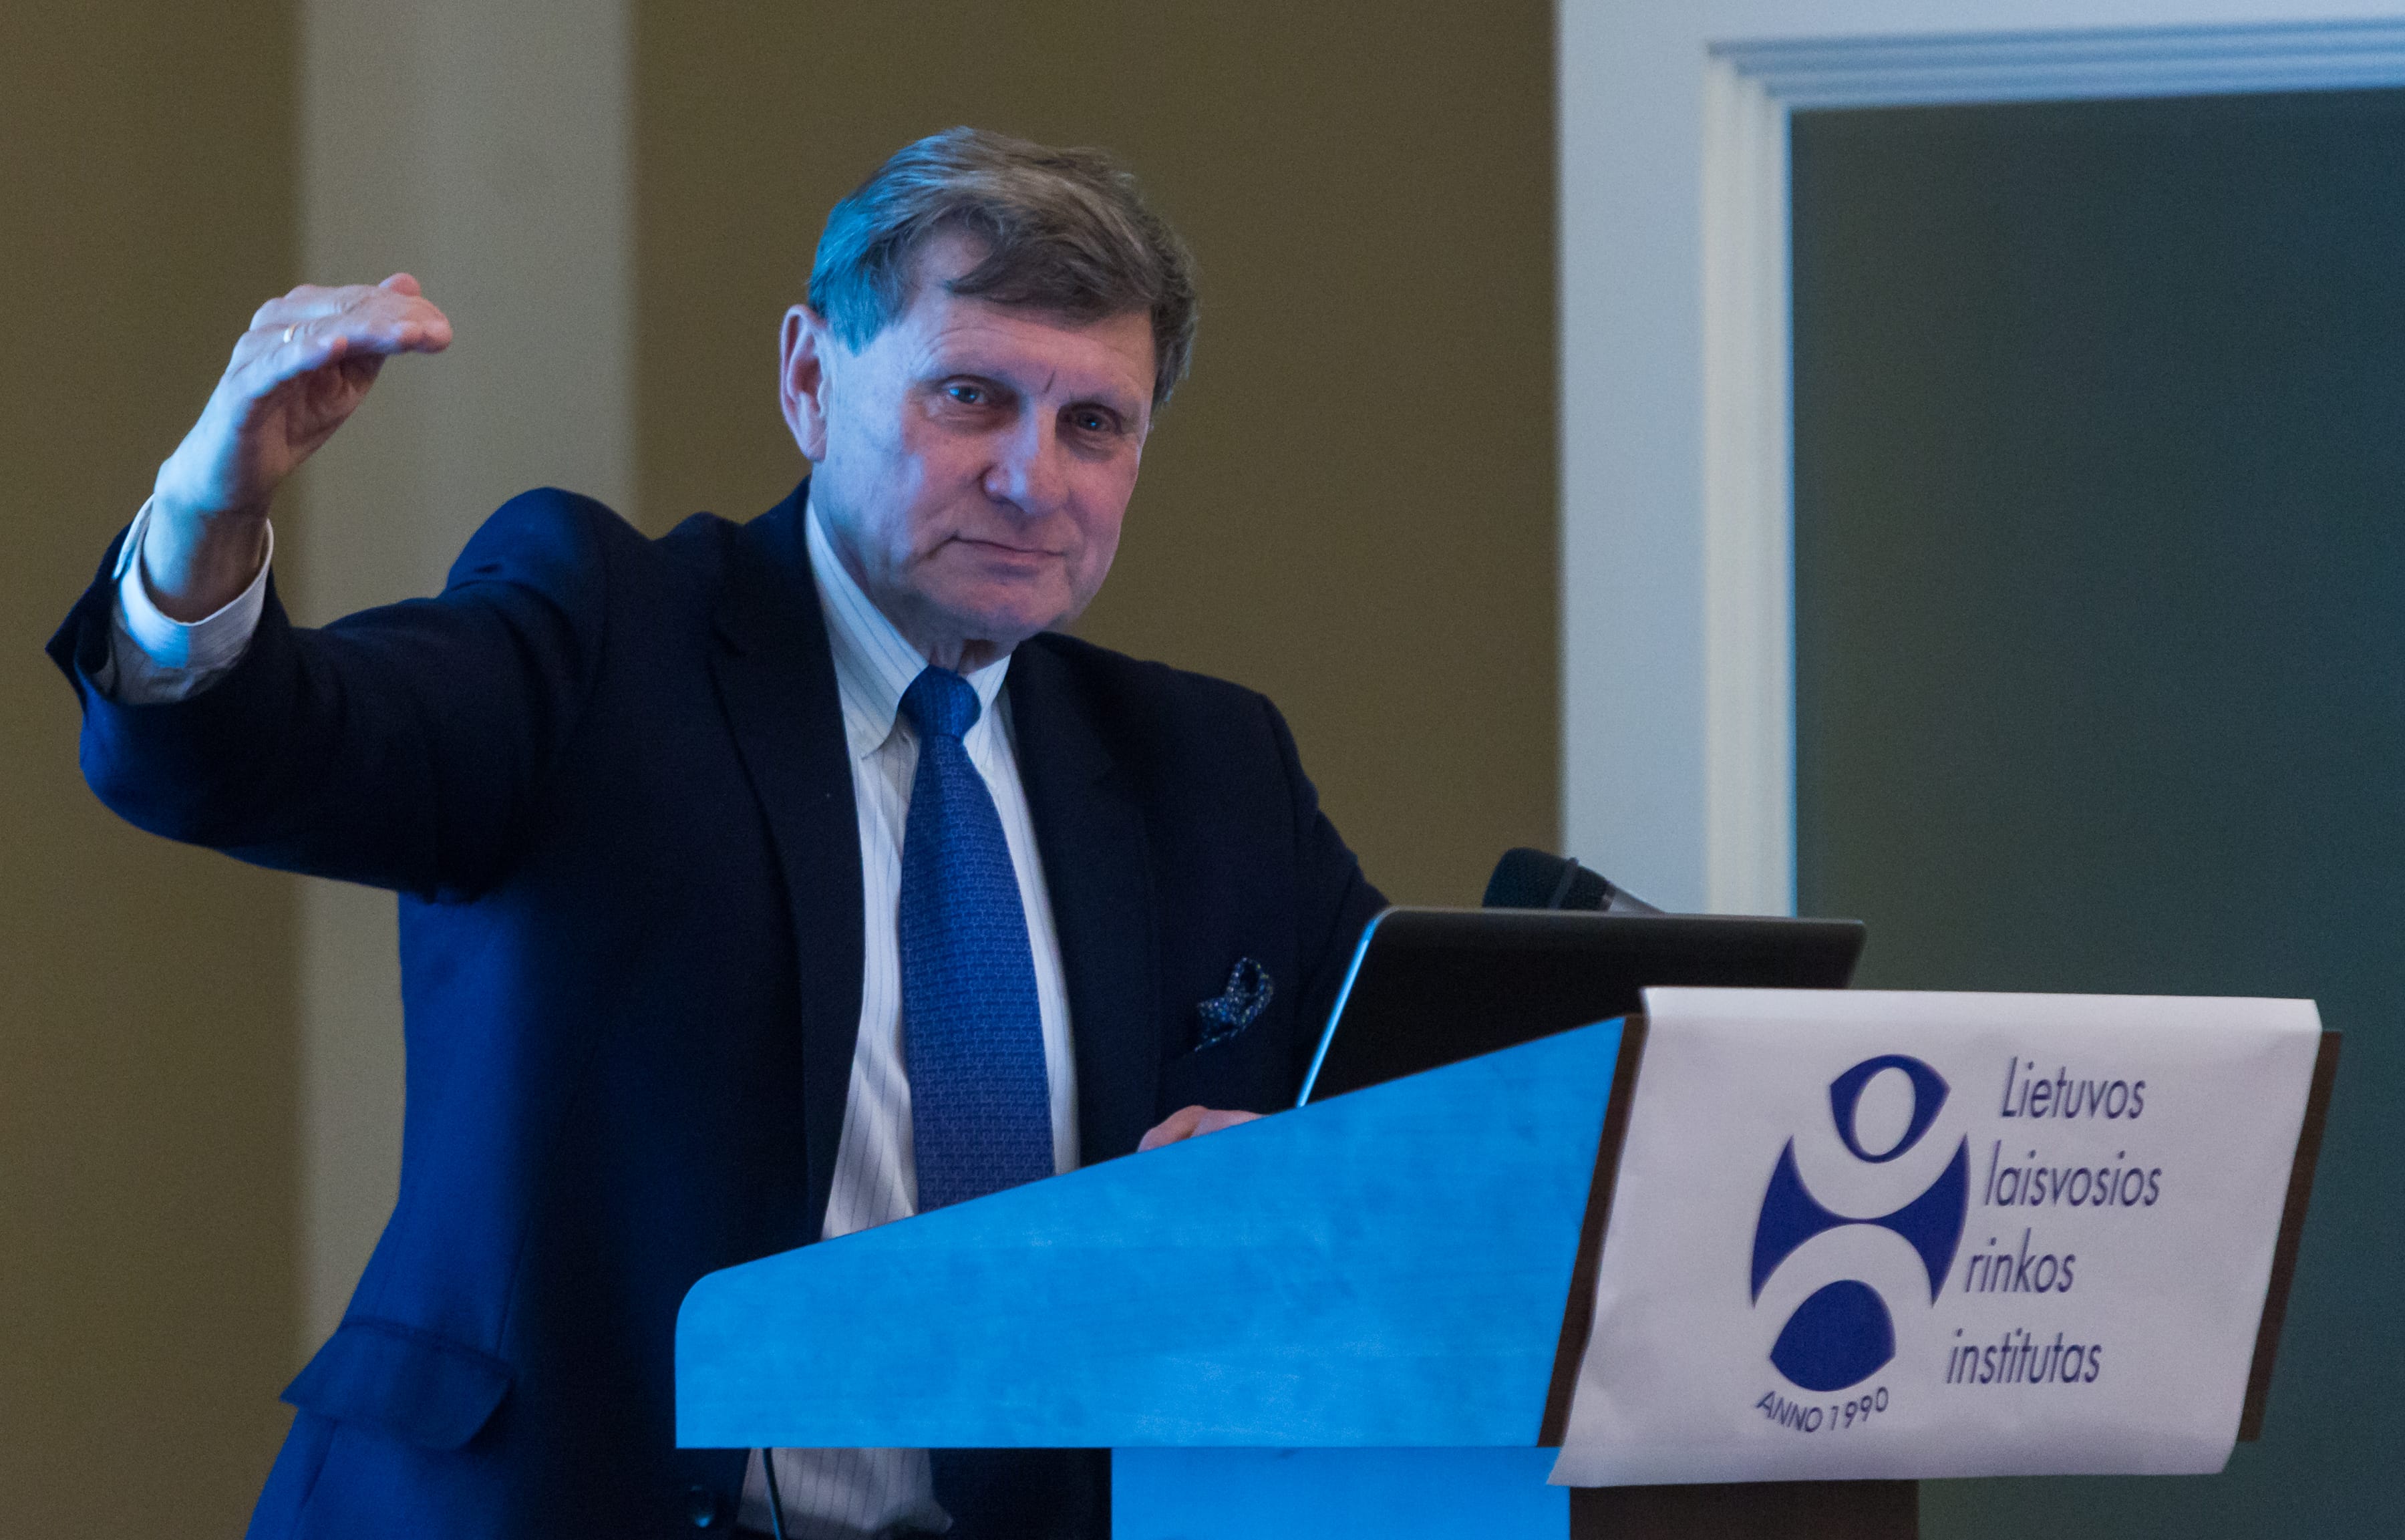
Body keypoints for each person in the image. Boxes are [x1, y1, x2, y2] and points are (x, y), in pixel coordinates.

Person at [47, 128, 1384, 1539]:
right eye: (972, 397)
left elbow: (1441, 1094)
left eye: (1093, 425)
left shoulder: (1209, 765)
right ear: (809, 379)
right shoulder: (602, 636)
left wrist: (1306, 1169)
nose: (1031, 480)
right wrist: (206, 514)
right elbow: (250, 752)